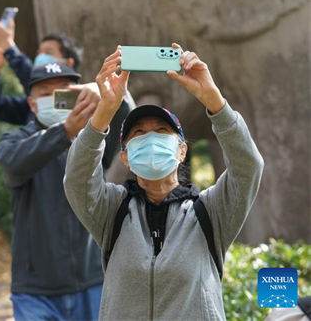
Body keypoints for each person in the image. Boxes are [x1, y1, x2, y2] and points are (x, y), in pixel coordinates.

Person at [63, 42, 265, 321]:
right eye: (139, 134)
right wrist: (104, 113)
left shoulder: (210, 211)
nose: (151, 138)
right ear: (126, 157)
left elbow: (248, 167)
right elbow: (77, 180)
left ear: (182, 150)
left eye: (161, 131)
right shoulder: (112, 211)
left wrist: (215, 102)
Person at [0, 60, 103, 321]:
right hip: (35, 290)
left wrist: (104, 94)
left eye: (64, 93)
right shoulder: (15, 140)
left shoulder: (95, 138)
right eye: (46, 94)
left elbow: (131, 138)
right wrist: (64, 132)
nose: (56, 100)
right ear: (32, 104)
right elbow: (12, 164)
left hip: (92, 281)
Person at [0, 22, 134, 169]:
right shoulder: (36, 111)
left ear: (68, 63)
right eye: (39, 53)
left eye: (48, 52)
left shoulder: (93, 104)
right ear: (32, 104)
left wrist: (101, 93)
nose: (53, 98)